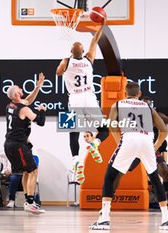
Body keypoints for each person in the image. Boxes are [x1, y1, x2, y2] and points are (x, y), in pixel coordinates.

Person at [89, 82, 168, 230]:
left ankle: (104, 218)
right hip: (147, 140)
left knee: (109, 177)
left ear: (125, 93)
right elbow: (164, 131)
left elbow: (112, 125)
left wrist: (118, 143)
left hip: (129, 139)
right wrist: (155, 147)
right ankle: (166, 219)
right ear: (139, 94)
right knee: (154, 179)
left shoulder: (118, 104)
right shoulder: (148, 107)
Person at [56, 18, 109, 182]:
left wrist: (65, 62)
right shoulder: (89, 59)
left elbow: (58, 73)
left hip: (75, 99)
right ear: (83, 51)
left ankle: (76, 159)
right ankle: (96, 143)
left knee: (73, 132)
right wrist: (102, 25)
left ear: (71, 52)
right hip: (90, 98)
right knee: (104, 129)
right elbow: (95, 40)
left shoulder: (66, 61)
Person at [4, 72, 46, 214]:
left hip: (11, 144)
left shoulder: (10, 106)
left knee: (27, 172)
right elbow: (40, 122)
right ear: (16, 94)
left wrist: (38, 87)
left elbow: (27, 101)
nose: (21, 89)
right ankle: (29, 202)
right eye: (19, 89)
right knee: (33, 170)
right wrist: (41, 111)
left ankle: (28, 202)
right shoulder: (24, 109)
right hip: (17, 145)